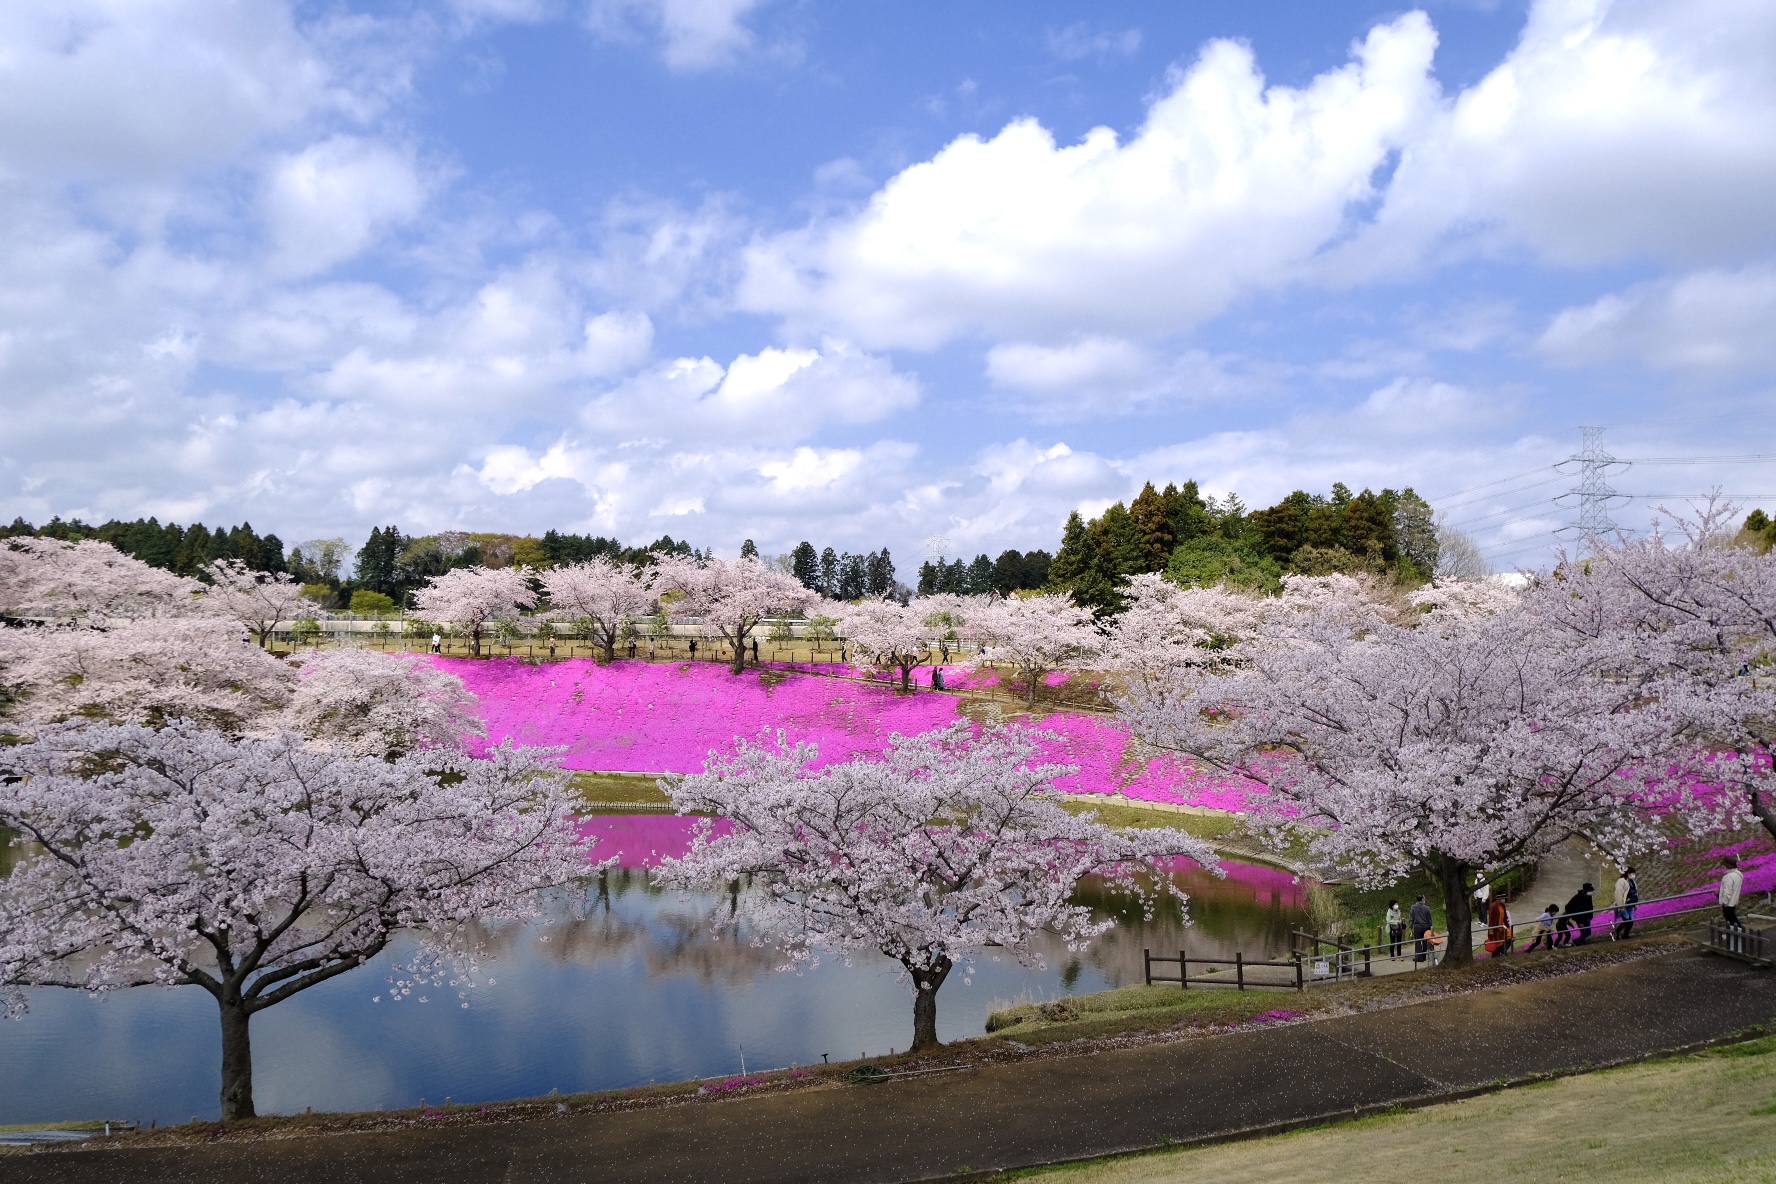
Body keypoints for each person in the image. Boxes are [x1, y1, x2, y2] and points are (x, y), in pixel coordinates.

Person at [1613, 867, 1639, 940]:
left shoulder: (1632, 882)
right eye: (1633, 873)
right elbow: (1618, 894)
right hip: (1623, 905)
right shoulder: (1621, 881)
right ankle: (1616, 932)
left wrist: (1636, 903)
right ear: (1628, 874)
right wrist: (1621, 906)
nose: (1634, 875)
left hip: (1630, 904)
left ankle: (1625, 935)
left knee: (1631, 921)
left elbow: (1635, 892)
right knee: (1627, 920)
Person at [1720, 854, 1744, 928]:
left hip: (1728, 902)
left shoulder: (1729, 876)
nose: (1723, 866)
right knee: (1733, 918)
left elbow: (1728, 891)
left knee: (1731, 920)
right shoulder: (1739, 874)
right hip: (1734, 900)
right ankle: (1738, 933)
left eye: (1724, 865)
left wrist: (1725, 902)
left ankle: (1737, 934)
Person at [1409, 895, 1433, 963]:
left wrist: (1410, 926)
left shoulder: (1413, 908)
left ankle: (1419, 957)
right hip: (1425, 927)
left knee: (1418, 942)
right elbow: (1430, 919)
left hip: (1417, 927)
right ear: (1422, 899)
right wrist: (1431, 927)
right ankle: (1424, 956)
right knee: (1425, 941)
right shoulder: (1427, 908)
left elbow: (1411, 918)